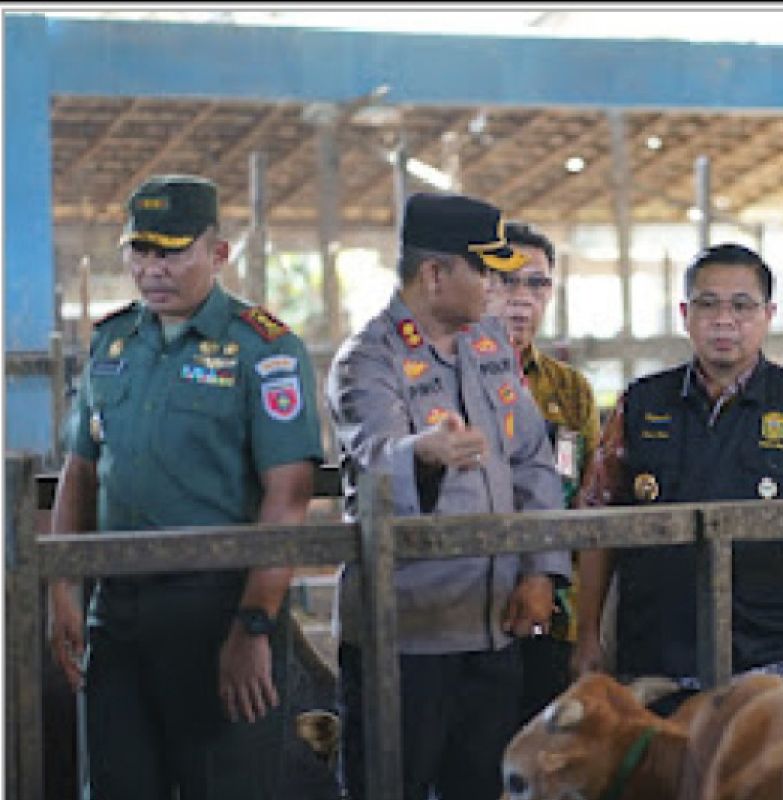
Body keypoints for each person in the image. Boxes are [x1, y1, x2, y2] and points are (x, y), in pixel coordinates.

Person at [48, 174, 324, 799]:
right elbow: (81, 469)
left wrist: (254, 625)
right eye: (140, 251)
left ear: (218, 253)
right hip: (116, 612)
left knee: (222, 785)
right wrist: (64, 584)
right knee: (117, 784)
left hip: (218, 609)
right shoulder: (112, 342)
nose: (152, 269)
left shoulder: (265, 349)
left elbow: (289, 494)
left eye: (171, 251)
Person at [326, 192, 571, 800]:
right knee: (391, 784)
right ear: (435, 274)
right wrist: (422, 454)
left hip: (491, 626)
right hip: (405, 635)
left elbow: (533, 459)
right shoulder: (367, 361)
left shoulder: (488, 348)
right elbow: (375, 462)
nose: (498, 286)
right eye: (485, 270)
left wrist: (540, 571)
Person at [571, 243, 783, 713]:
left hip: (775, 663)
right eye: (707, 304)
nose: (723, 320)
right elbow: (596, 520)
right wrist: (588, 633)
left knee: (782, 784)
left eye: (742, 306)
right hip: (654, 662)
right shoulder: (640, 404)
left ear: (769, 314)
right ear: (684, 314)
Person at [485, 220, 601, 724]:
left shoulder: (569, 389)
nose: (522, 297)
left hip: (554, 610)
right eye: (507, 280)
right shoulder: (441, 379)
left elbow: (590, 495)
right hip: (468, 605)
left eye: (537, 283)